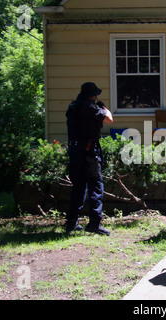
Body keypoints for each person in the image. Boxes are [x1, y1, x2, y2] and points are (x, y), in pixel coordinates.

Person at [65, 82, 113, 235]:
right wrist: (103, 107)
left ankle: (71, 223)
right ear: (92, 96)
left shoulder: (72, 107)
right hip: (89, 152)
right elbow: (109, 119)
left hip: (74, 151)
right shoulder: (91, 108)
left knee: (78, 188)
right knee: (96, 187)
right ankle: (94, 223)